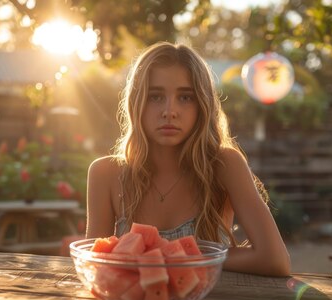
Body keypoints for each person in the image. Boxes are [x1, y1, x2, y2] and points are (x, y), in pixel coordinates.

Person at [86, 42, 291, 276]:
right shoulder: (106, 173)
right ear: (136, 103)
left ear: (202, 105)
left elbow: (275, 260)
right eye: (155, 96)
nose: (169, 111)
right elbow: (96, 265)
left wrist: (172, 255)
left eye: (185, 97)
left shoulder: (224, 165)